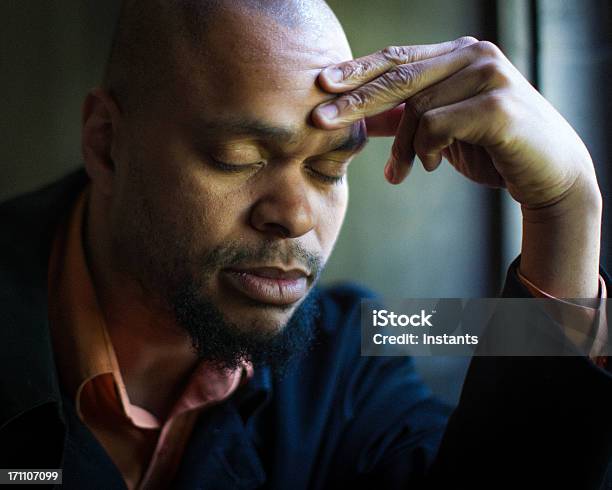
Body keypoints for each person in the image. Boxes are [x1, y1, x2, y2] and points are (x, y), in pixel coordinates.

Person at [0, 1, 610, 489]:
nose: (295, 216)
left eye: (328, 170)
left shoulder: (357, 341)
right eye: (238, 158)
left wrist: (565, 215)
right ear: (107, 145)